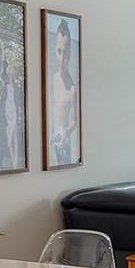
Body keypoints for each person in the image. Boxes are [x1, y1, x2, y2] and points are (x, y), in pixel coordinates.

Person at [48, 19, 79, 166]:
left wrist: (66, 132)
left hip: (64, 140)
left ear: (70, 55)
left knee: (63, 164)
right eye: (59, 52)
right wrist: (50, 132)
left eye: (65, 54)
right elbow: (52, 110)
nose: (61, 59)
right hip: (53, 136)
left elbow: (73, 121)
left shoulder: (72, 90)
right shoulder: (53, 79)